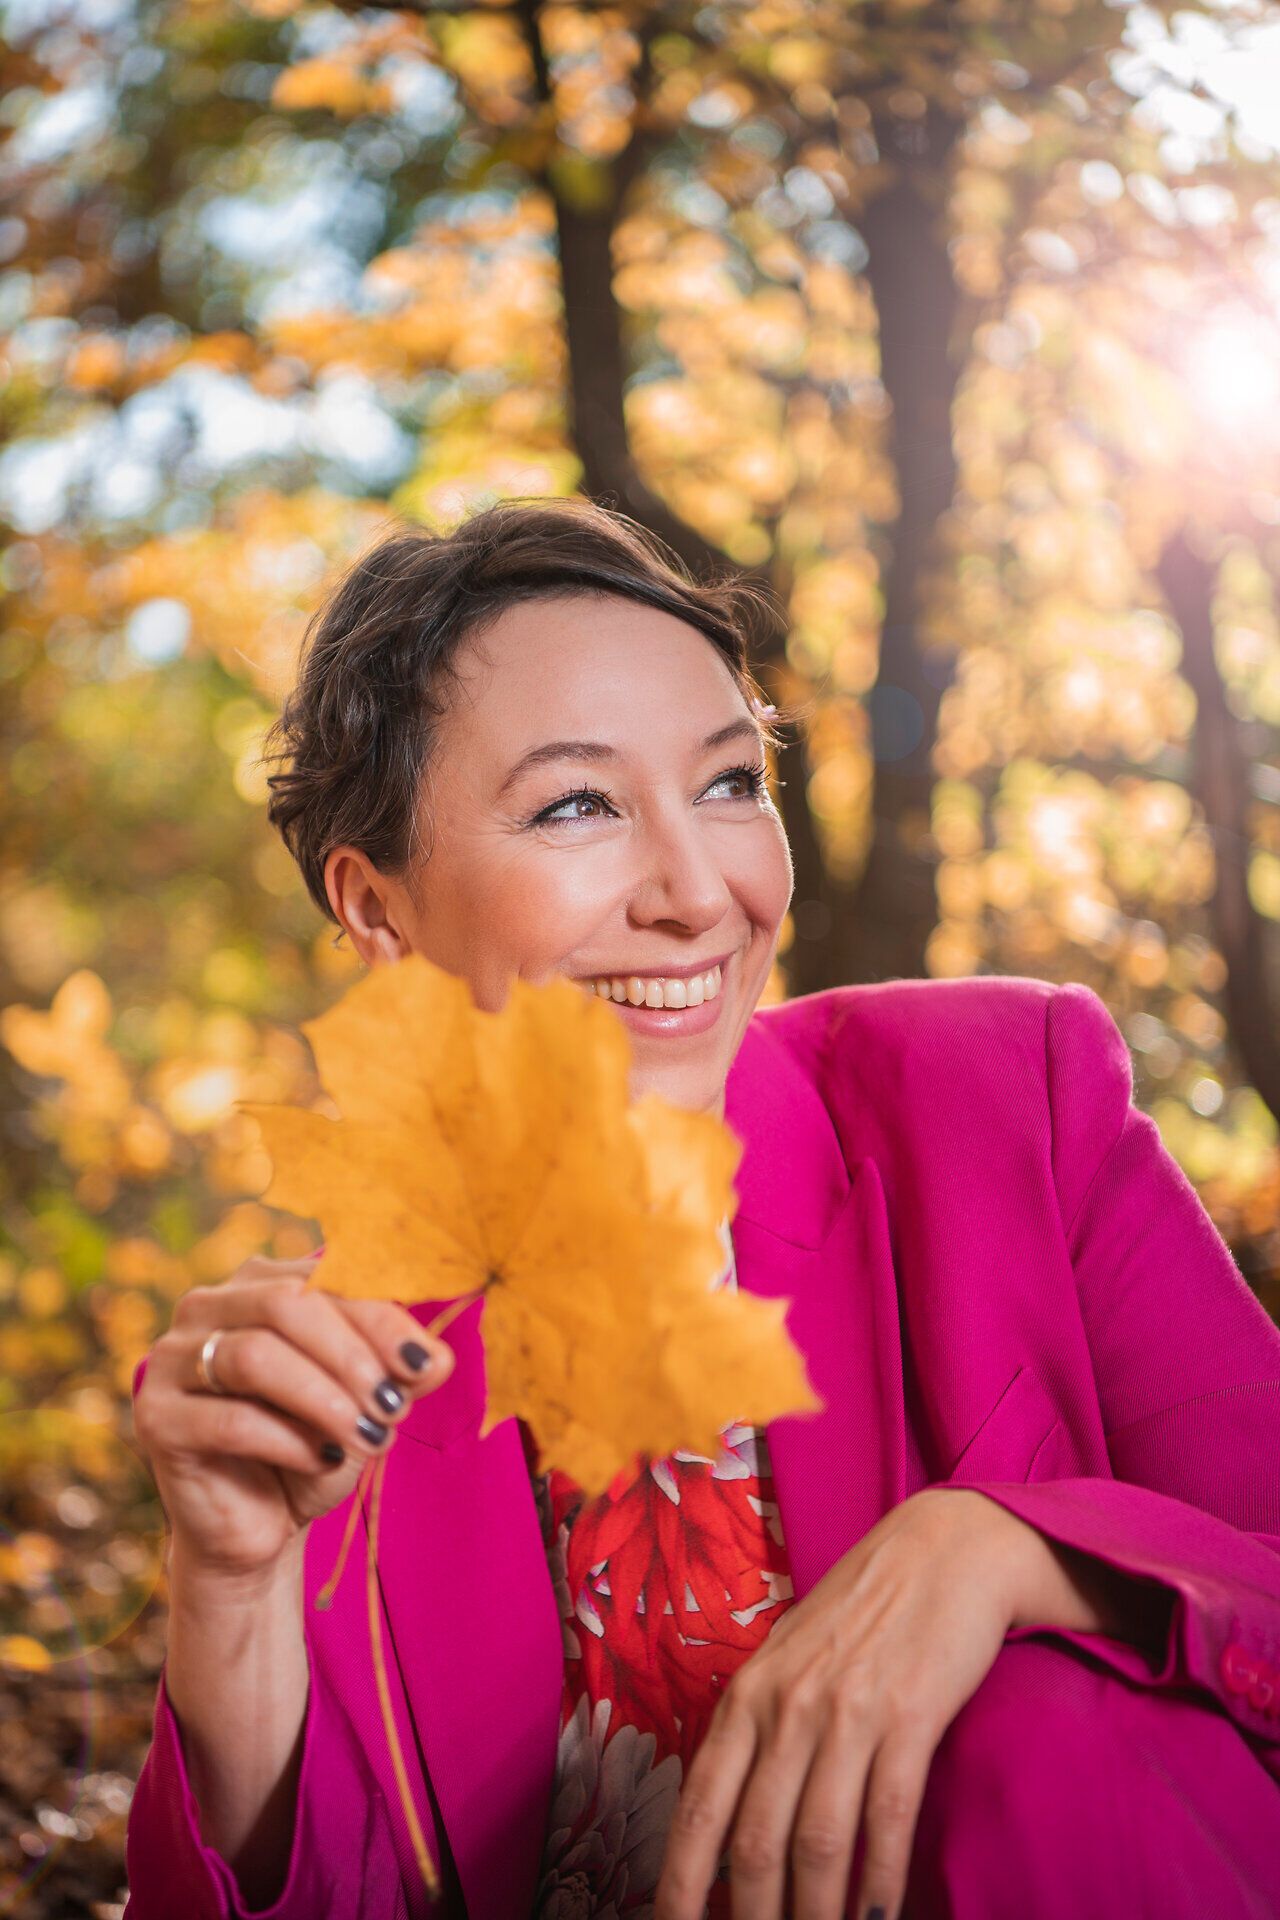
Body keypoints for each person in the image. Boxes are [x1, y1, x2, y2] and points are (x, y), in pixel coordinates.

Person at [123, 497, 1280, 1920]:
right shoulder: (334, 1368)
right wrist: (230, 1592)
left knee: (1035, 1724)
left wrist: (1015, 1553)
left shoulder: (1009, 1101)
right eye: (578, 806)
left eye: (732, 784)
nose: (696, 892)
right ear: (377, 911)